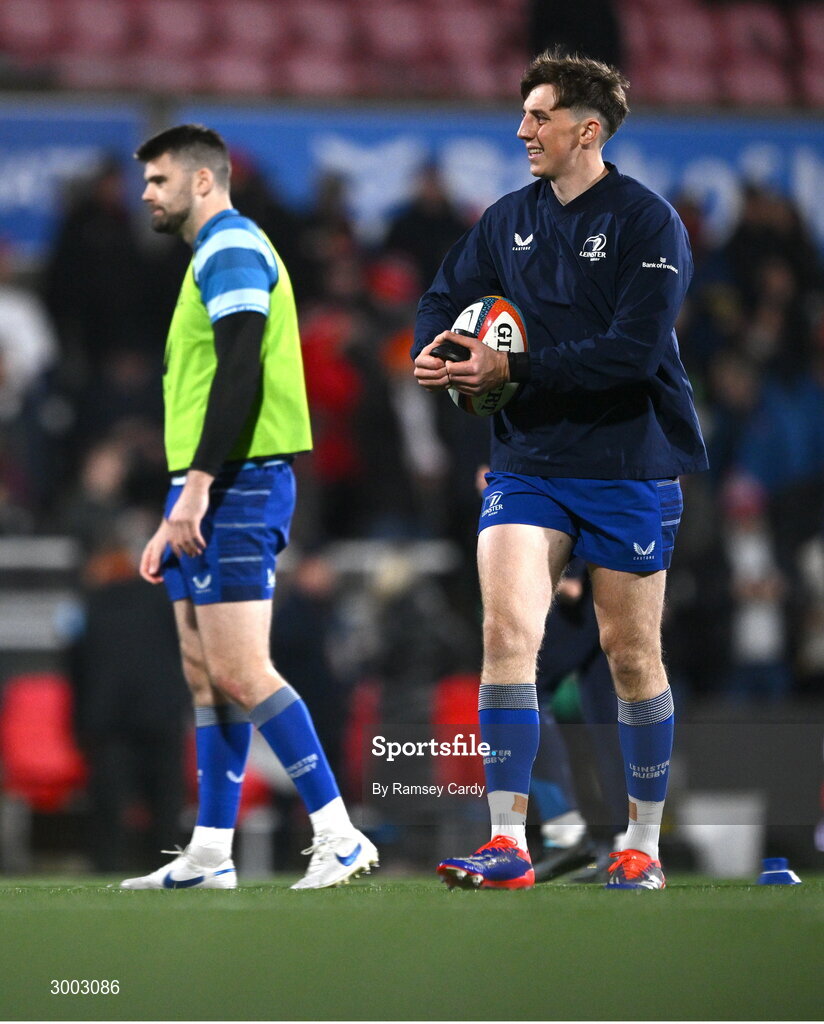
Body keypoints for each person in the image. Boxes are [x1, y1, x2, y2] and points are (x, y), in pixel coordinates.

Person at [413, 50, 707, 890]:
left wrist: (516, 372)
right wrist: (432, 351)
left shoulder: (650, 224)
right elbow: (441, 299)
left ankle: (641, 846)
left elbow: (632, 353)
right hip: (529, 462)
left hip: (627, 462)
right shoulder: (507, 220)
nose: (522, 131)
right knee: (507, 637)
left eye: (539, 117)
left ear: (588, 129)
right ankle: (509, 842)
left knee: (629, 656)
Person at [121, 124, 377, 890]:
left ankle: (338, 833)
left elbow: (240, 365)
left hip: (234, 479)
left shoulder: (230, 244)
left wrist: (197, 486)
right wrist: (175, 500)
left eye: (159, 180)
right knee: (206, 672)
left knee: (240, 666)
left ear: (203, 182)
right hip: (202, 484)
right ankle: (210, 852)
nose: (146, 194)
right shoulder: (213, 253)